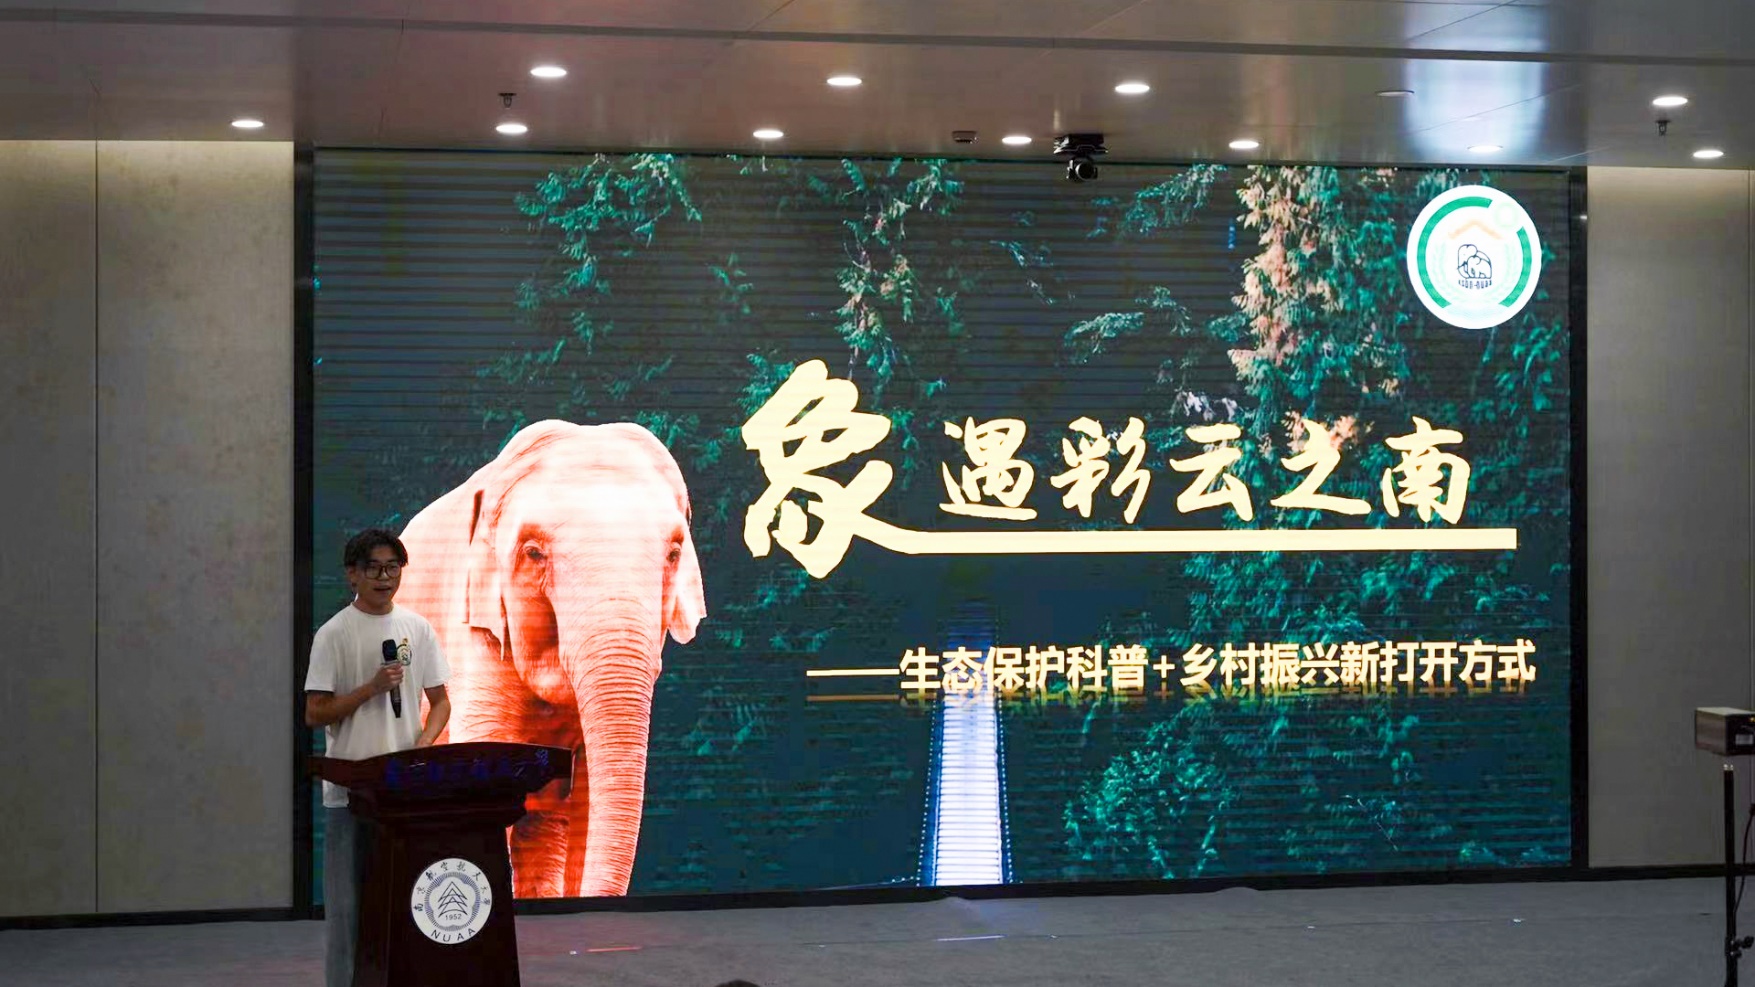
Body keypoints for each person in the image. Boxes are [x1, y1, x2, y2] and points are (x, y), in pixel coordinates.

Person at [304, 527, 452, 987]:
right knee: (348, 911)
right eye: (374, 568)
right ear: (353, 575)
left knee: (406, 901)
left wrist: (423, 744)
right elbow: (314, 713)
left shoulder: (417, 628)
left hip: (403, 792)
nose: (385, 578)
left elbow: (441, 702)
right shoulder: (333, 634)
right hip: (350, 795)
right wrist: (370, 689)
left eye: (392, 568)